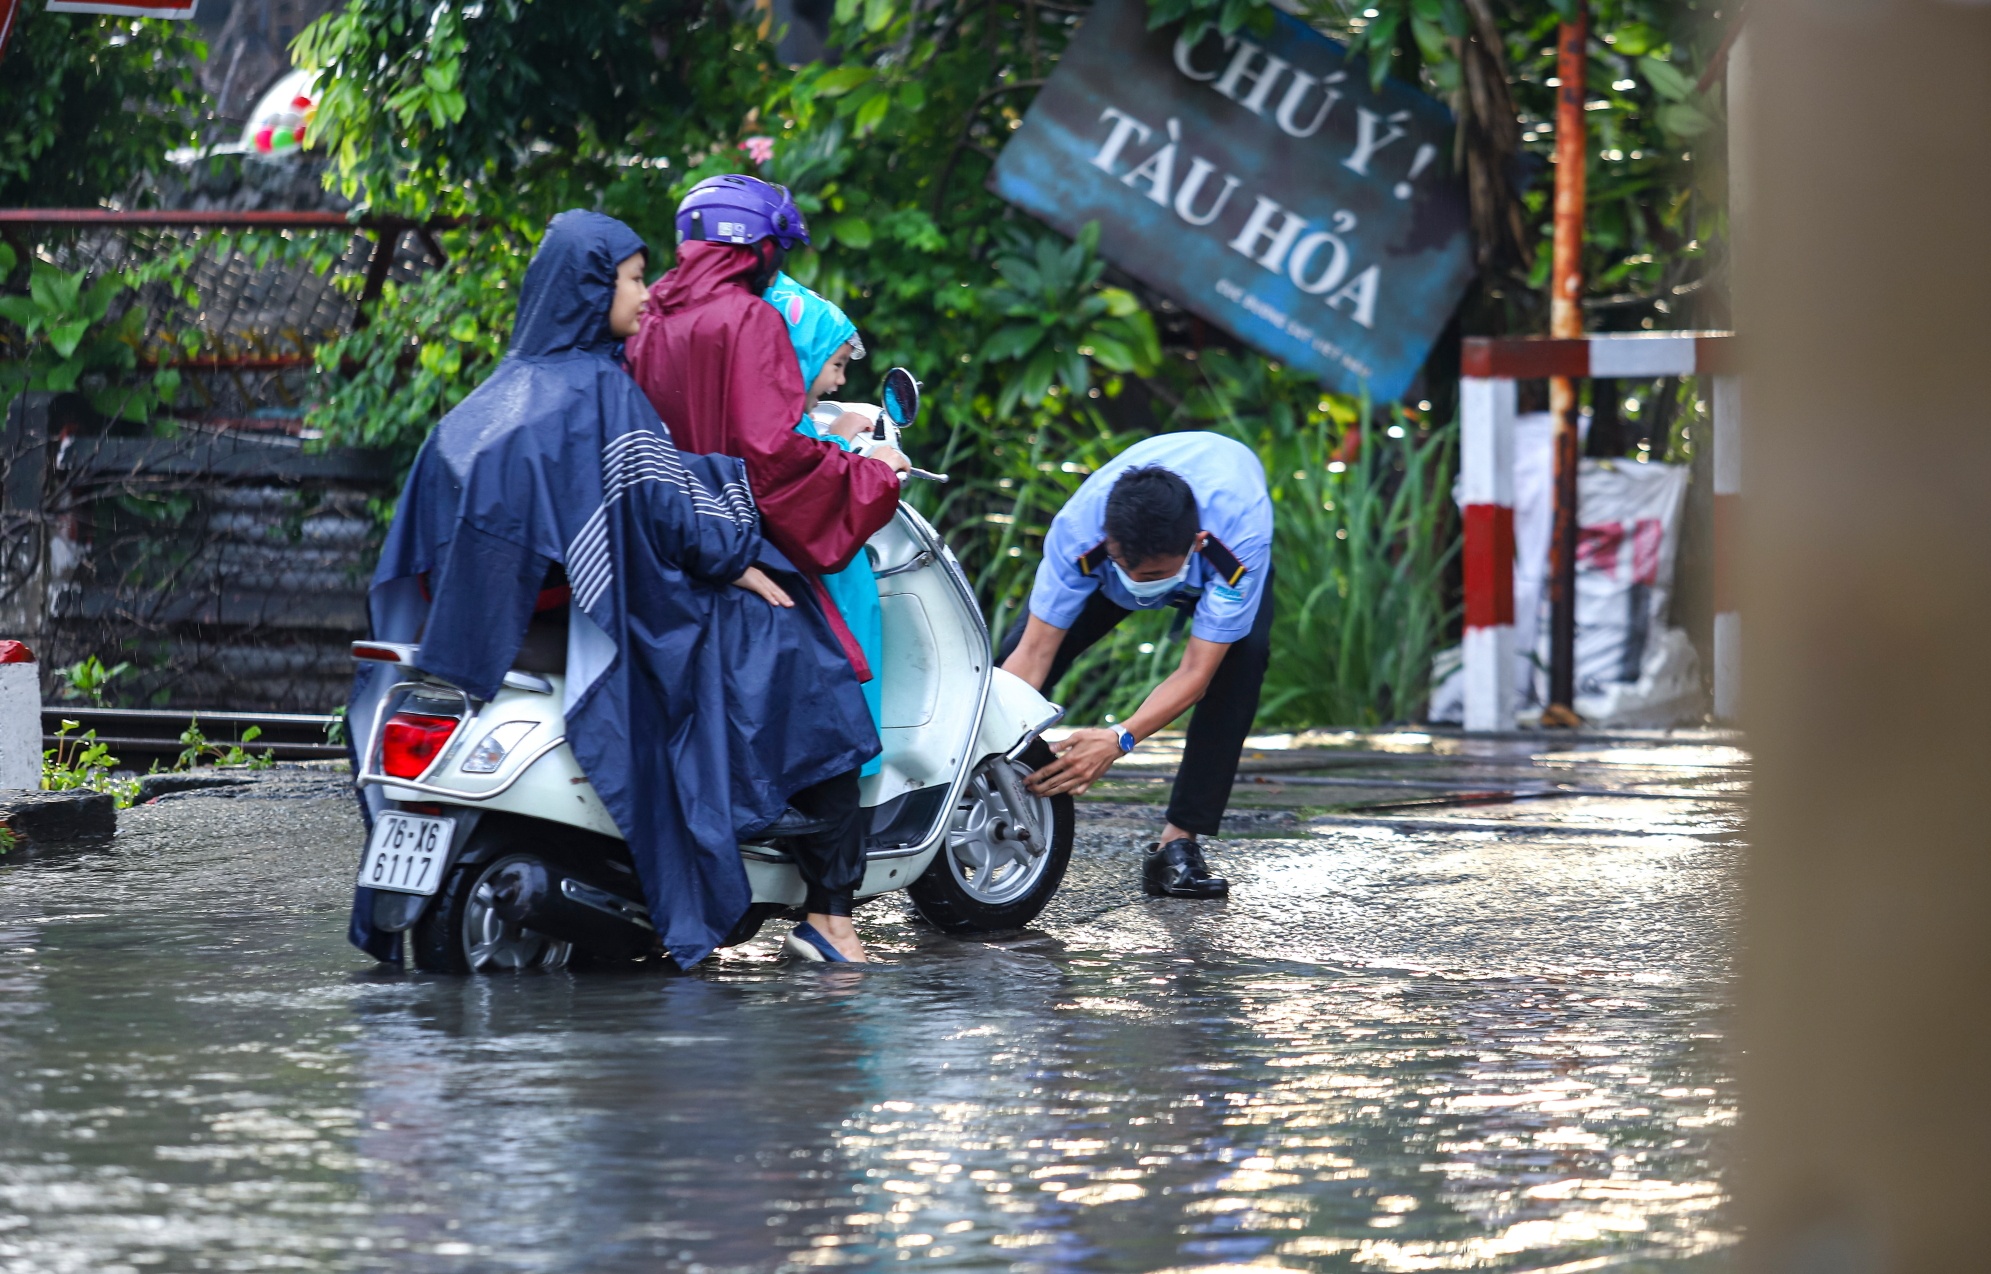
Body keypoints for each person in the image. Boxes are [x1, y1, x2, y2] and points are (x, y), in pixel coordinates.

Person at [347, 210, 879, 970]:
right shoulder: (600, 393)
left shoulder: (493, 397)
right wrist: (736, 553)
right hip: (598, 624)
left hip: (474, 634)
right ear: (590, 287)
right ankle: (827, 913)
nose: (642, 292)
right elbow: (669, 515)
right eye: (630, 278)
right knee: (814, 667)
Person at [625, 175, 911, 962]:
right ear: (760, 249)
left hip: (666, 554)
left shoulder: (650, 320)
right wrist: (870, 476)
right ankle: (830, 920)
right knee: (837, 715)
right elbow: (770, 458)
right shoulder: (745, 320)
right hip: (748, 550)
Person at [998, 431, 1274, 899]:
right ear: (1108, 546)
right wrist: (994, 742)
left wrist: (1118, 737)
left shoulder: (1239, 539)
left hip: (1218, 536)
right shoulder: (1077, 535)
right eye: (1131, 571)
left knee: (1242, 662)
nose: (1141, 585)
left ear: (1197, 542)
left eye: (1152, 576)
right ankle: (965, 800)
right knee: (1008, 665)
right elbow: (1035, 654)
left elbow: (1195, 673)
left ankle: (1178, 845)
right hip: (1112, 564)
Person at [762, 270, 884, 773]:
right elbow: (814, 481)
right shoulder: (782, 431)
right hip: (823, 591)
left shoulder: (777, 419)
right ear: (800, 357)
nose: (839, 380)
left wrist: (835, 434)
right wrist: (877, 467)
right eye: (833, 365)